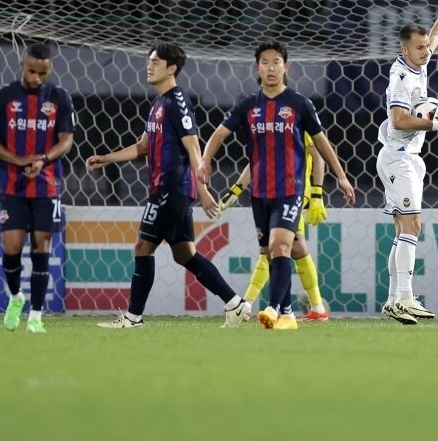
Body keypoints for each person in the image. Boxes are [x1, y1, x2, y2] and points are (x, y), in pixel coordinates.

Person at [88, 42, 251, 328]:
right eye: (149, 61)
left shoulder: (177, 103)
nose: (149, 65)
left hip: (171, 188)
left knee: (142, 246)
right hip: (166, 188)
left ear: (171, 68)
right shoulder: (159, 103)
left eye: (155, 62)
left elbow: (194, 147)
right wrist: (108, 158)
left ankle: (133, 317)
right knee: (184, 253)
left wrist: (201, 188)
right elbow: (142, 147)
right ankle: (235, 304)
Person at [199, 40, 356, 330]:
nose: (271, 68)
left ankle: (270, 308)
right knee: (270, 252)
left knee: (280, 245)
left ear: (286, 67)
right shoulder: (248, 105)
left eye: (276, 62)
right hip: (260, 192)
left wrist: (341, 176)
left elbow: (321, 143)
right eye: (265, 62)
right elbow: (219, 134)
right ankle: (286, 314)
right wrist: (205, 161)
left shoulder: (299, 104)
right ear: (256, 68)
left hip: (291, 189)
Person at [378, 0, 438, 324]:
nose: (427, 51)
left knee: (406, 228)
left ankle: (393, 299)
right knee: (412, 225)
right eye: (419, 47)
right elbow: (399, 120)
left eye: (427, 47)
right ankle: (404, 298)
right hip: (398, 158)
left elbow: (436, 35)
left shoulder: (419, 63)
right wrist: (433, 124)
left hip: (408, 158)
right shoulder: (401, 77)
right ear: (404, 49)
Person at [0, 43, 75, 333]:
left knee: (42, 244)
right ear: (22, 64)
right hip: (12, 184)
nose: (36, 78)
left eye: (42, 73)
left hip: (48, 184)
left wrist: (42, 159)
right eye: (31, 71)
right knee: (13, 246)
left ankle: (36, 315)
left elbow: (66, 140)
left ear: (50, 69)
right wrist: (17, 159)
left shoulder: (59, 98)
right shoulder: (4, 96)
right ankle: (16, 297)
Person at [218, 132, 331, 322]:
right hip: (271, 194)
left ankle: (247, 304)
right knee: (296, 249)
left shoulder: (297, 121)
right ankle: (317, 308)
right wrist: (235, 190)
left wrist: (317, 194)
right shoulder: (266, 124)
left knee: (274, 248)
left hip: (293, 194)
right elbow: (257, 161)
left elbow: (318, 156)